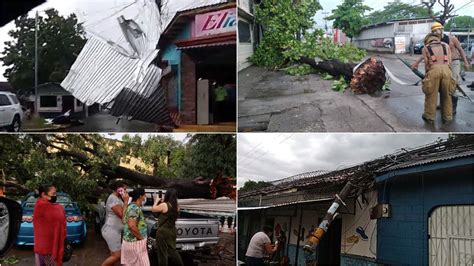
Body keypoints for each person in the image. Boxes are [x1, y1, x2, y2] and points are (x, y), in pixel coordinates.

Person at [412, 22, 470, 113]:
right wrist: (416, 63)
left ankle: (453, 106)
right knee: (441, 84)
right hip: (443, 65)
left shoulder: (452, 39)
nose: (436, 32)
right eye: (434, 31)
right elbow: (427, 52)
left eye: (437, 30)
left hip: (454, 62)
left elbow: (460, 50)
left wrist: (466, 62)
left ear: (441, 30)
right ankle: (443, 104)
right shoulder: (434, 42)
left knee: (452, 84)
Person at [420, 33, 456, 124]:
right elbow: (450, 61)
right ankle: (447, 117)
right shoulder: (446, 46)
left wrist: (426, 76)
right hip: (446, 70)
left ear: (427, 40)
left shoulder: (425, 48)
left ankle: (429, 117)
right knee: (447, 95)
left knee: (431, 94)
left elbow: (427, 64)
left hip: (433, 70)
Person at [33, 184, 67, 266]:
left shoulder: (52, 207)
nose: (55, 196)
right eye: (53, 194)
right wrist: (60, 209)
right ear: (43, 194)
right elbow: (58, 216)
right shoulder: (41, 206)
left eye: (56, 193)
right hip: (46, 249)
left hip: (45, 246)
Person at [151, 188, 183, 266]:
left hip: (163, 232)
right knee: (173, 250)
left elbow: (153, 209)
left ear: (167, 195)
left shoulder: (165, 205)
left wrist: (156, 200)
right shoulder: (177, 206)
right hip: (172, 231)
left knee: (162, 253)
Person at [101, 181, 129, 266]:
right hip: (111, 231)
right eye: (124, 189)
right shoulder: (113, 198)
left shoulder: (117, 198)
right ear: (118, 189)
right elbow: (122, 215)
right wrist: (126, 201)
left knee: (113, 255)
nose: (125, 191)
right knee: (117, 256)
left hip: (115, 231)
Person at [121, 188, 149, 266]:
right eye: (144, 195)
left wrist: (125, 202)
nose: (145, 196)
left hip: (129, 242)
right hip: (135, 243)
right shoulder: (134, 208)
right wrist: (142, 239)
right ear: (140, 196)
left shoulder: (130, 206)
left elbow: (123, 220)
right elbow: (132, 226)